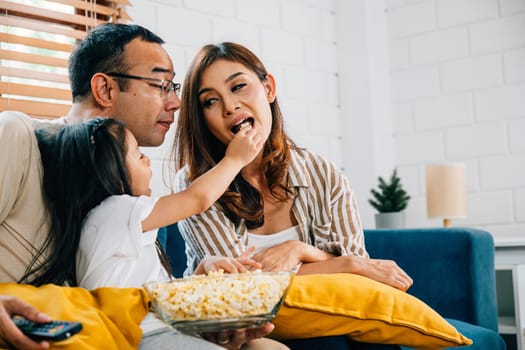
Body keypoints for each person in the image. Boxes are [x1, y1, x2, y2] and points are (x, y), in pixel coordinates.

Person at [0, 24, 275, 349]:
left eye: (174, 88)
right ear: (105, 90)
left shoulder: (124, 193)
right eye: (161, 86)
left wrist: (193, 292)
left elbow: (126, 288)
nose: (175, 103)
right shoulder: (18, 135)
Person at [173, 41, 413, 290]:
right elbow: (240, 284)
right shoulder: (195, 184)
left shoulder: (324, 175)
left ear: (269, 88)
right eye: (211, 101)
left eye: (239, 87)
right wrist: (344, 264)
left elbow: (362, 278)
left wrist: (299, 250)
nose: (230, 106)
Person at [34, 116, 287, 350]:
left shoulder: (117, 227)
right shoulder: (115, 210)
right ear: (108, 173)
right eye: (138, 154)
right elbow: (197, 199)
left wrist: (200, 274)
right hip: (140, 338)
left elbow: (152, 295)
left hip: (161, 331)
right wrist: (235, 159)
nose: (147, 160)